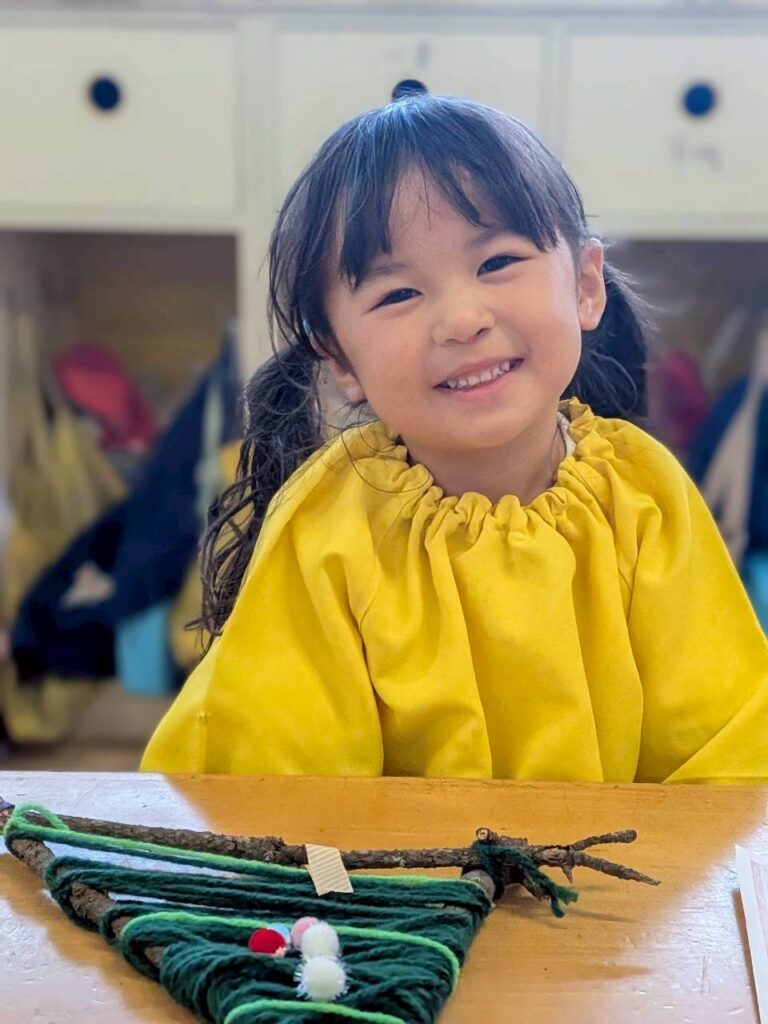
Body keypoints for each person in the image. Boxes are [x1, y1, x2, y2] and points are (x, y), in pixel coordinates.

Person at [141, 87, 768, 783]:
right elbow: (274, 786)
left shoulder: (646, 497)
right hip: (391, 860)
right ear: (339, 358)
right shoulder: (330, 528)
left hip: (622, 858)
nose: (463, 320)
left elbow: (730, 757)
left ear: (586, 286)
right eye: (398, 294)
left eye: (497, 262)